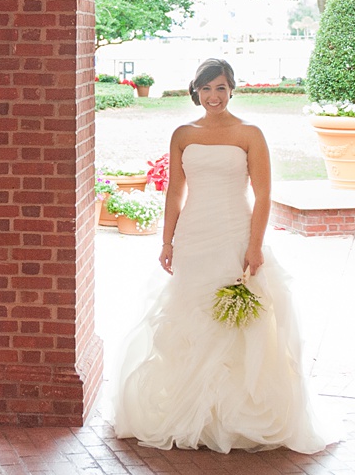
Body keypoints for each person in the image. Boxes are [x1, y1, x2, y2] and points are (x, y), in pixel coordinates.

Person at [114, 58, 333, 453]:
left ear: (232, 89)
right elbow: (175, 193)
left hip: (234, 232)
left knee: (236, 323)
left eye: (220, 88)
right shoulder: (183, 133)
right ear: (195, 91)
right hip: (195, 234)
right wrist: (167, 242)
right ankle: (191, 411)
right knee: (192, 315)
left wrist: (253, 245)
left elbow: (264, 194)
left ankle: (233, 415)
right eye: (205, 88)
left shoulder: (250, 133)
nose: (213, 96)